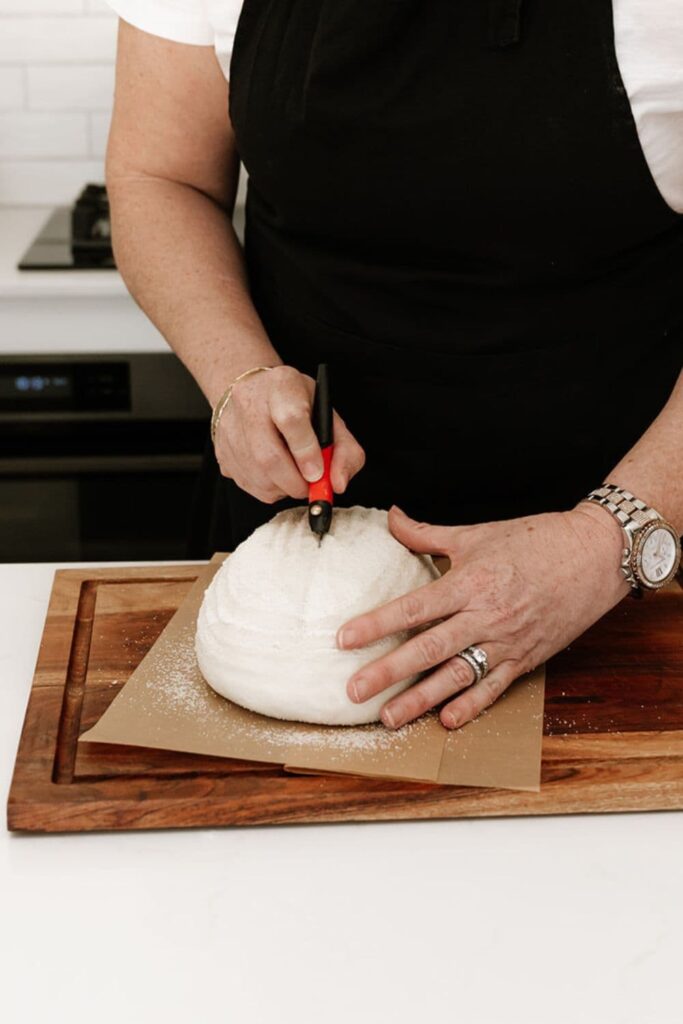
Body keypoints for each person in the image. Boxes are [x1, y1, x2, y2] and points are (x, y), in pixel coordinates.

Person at [104, 0, 682, 732]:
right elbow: (160, 176)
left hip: (632, 534)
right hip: (292, 501)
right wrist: (237, 377)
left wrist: (609, 541)